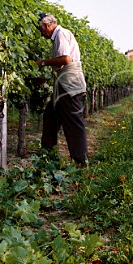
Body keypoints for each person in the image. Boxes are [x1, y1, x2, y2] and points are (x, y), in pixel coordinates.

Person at [36, 13, 88, 166]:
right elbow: (58, 66)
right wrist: (42, 79)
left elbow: (65, 59)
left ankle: (81, 162)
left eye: (41, 29)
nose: (41, 33)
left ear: (47, 25)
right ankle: (48, 156)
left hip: (69, 86)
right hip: (63, 86)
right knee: (50, 117)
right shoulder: (59, 37)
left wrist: (43, 62)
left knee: (73, 123)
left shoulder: (61, 34)